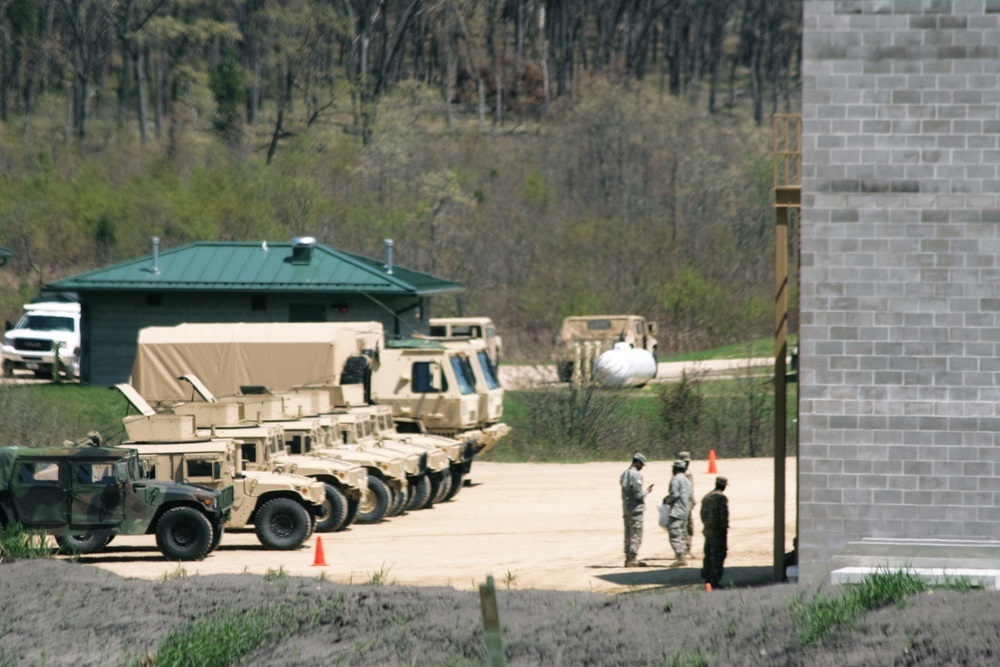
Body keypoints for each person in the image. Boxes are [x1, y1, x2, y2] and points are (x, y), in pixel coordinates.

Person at [620, 453, 654, 567]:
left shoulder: (624, 474)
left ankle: (628, 558)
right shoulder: (636, 476)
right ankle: (632, 559)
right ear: (637, 462)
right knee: (636, 534)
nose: (642, 467)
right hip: (636, 509)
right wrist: (647, 491)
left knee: (628, 533)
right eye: (641, 465)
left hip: (626, 508)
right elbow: (638, 495)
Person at [700, 476, 729, 588]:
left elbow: (702, 514)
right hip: (718, 531)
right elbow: (723, 516)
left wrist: (707, 525)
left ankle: (707, 577)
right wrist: (724, 528)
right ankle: (715, 580)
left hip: (708, 530)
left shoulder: (707, 496)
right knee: (718, 554)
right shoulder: (721, 498)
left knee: (708, 554)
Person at [663, 460, 693, 565]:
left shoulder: (675, 479)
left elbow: (674, 494)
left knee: (674, 534)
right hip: (685, 511)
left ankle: (681, 558)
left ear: (675, 469)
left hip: (676, 511)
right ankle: (683, 554)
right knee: (682, 533)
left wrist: (666, 500)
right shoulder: (687, 481)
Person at [678, 451, 695, 553]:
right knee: (682, 525)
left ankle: (688, 546)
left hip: (688, 502)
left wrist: (692, 500)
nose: (687, 464)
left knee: (689, 525)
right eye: (685, 462)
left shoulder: (688, 473)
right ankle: (683, 547)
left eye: (688, 461)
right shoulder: (679, 475)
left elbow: (691, 489)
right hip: (682, 504)